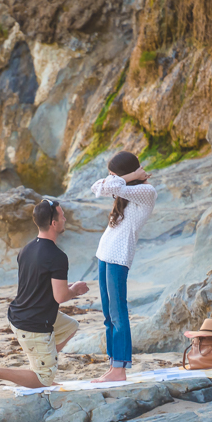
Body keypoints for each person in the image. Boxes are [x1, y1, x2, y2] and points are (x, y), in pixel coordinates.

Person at [0, 198, 89, 398]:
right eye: (62, 216)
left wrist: (68, 288)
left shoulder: (26, 249)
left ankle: (43, 363)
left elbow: (41, 285)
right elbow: (61, 296)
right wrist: (76, 290)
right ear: (54, 224)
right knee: (44, 380)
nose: (65, 219)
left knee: (69, 327)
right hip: (33, 323)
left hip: (21, 314)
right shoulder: (57, 256)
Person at [90, 151, 157, 383]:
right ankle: (113, 366)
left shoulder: (147, 191)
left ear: (126, 172)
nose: (110, 177)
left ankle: (120, 369)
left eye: (113, 173)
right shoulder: (124, 187)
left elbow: (112, 187)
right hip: (104, 254)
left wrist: (127, 177)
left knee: (119, 313)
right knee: (108, 315)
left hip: (119, 258)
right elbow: (98, 187)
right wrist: (127, 176)